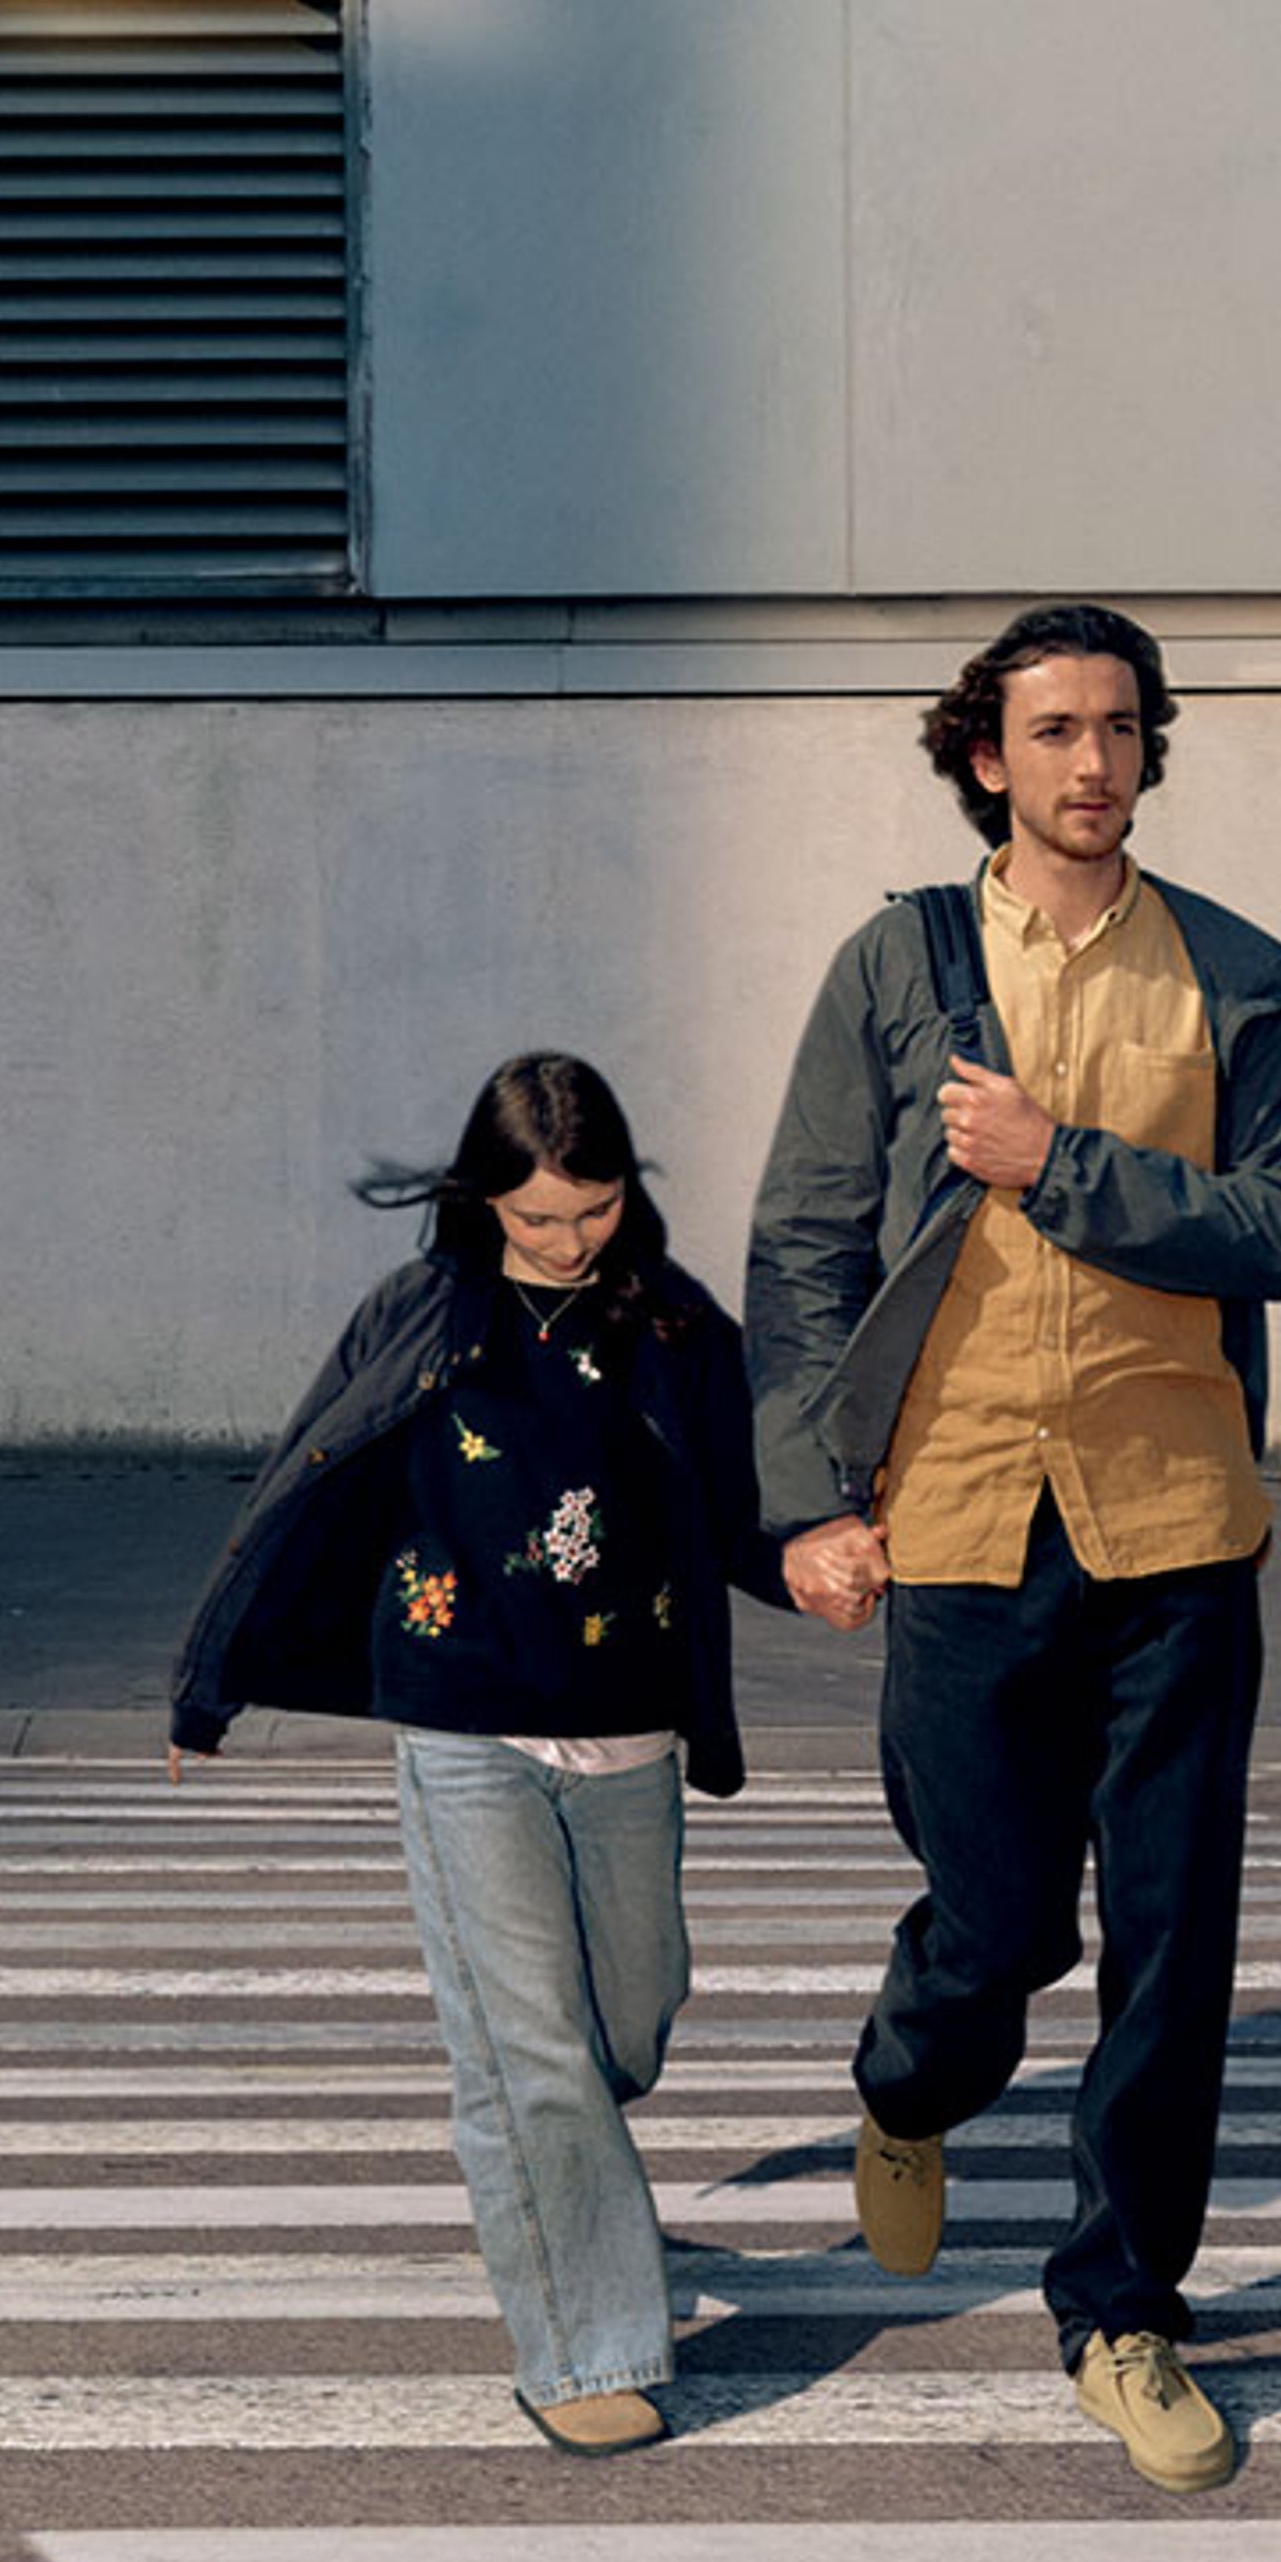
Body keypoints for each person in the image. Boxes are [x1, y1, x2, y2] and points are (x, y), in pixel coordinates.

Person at [748, 600, 1281, 2492]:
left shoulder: (1235, 980)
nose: (1092, 760)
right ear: (985, 757)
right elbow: (802, 1249)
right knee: (998, 1921)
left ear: (1152, 750)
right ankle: (909, 2083)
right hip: (959, 1518)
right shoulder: (901, 967)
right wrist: (806, 1509)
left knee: (1173, 1950)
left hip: (1174, 1524)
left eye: (1121, 726)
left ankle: (1123, 2308)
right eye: (1054, 729)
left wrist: (1059, 1162)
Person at [169, 1052, 794, 2455]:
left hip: (629, 1719)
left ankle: (569, 2193)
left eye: (595, 1210)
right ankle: (584, 2346)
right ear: (484, 1201)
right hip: (464, 1723)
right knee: (529, 2055)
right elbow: (304, 1479)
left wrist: (815, 1559)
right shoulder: (426, 1311)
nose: (569, 1242)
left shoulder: (677, 1328)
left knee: (624, 2025)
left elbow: (744, 1503)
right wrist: (205, 1692)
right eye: (539, 1220)